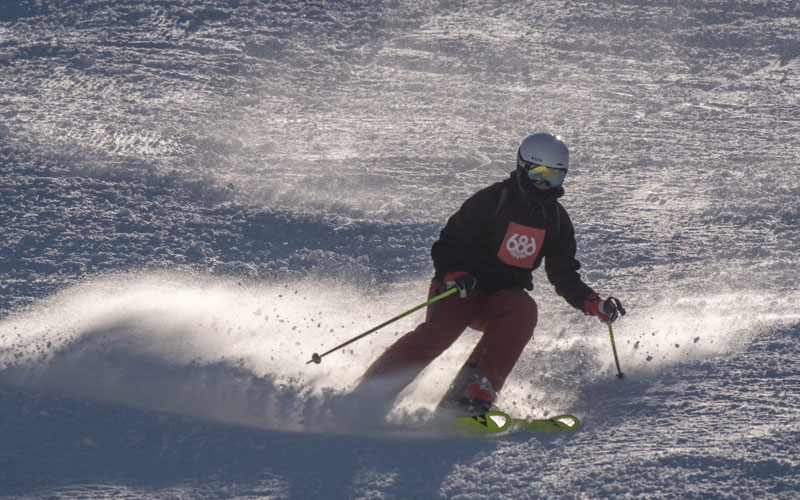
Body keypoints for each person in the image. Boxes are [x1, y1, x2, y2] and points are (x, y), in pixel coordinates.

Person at [353, 132, 623, 415]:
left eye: (553, 177)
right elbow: (448, 243)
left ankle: (470, 393)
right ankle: (371, 391)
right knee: (439, 334)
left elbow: (564, 274)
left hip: (500, 300)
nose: (544, 185)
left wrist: (592, 302)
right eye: (538, 174)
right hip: (461, 288)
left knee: (523, 310)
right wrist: (454, 273)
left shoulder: (556, 222)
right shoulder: (492, 201)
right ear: (522, 168)